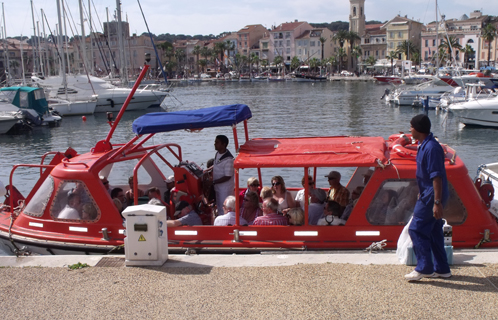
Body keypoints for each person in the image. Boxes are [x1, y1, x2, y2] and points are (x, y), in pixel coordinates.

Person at [405, 114, 451, 281]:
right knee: (433, 231)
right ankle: (442, 269)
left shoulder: (431, 148)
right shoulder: (424, 145)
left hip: (432, 196)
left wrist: (436, 203)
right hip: (428, 193)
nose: (409, 130)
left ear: (417, 129)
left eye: (411, 127)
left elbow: (436, 177)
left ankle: (424, 268)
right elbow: (425, 175)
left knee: (416, 229)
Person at [212, 135, 235, 214]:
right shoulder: (217, 154)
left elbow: (228, 176)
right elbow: (217, 164)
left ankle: (225, 224)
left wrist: (214, 182)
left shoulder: (229, 159)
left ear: (224, 144)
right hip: (218, 187)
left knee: (224, 207)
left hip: (225, 189)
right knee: (218, 206)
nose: (215, 144)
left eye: (217, 142)